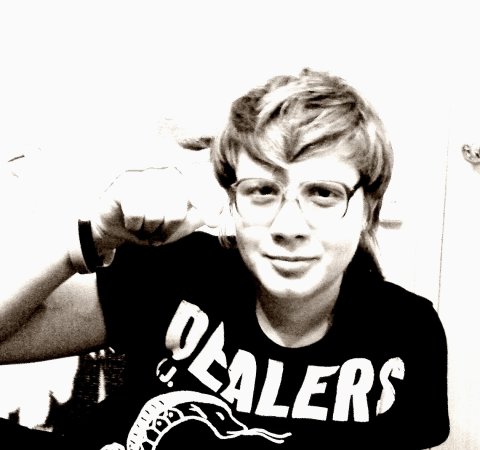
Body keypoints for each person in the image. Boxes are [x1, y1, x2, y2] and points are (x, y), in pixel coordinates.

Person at [0, 68, 449, 449]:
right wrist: (91, 237)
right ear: (232, 202)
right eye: (263, 190)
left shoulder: (406, 333)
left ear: (368, 209)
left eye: (323, 193)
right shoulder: (181, 270)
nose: (289, 226)